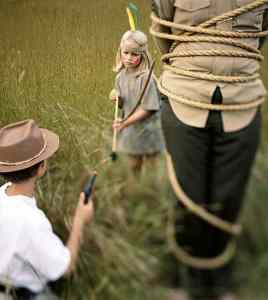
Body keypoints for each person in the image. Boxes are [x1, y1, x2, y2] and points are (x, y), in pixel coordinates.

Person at [150, 1, 268, 300]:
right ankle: (185, 284)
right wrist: (193, 65)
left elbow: (261, 33)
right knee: (188, 199)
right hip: (185, 97)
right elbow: (163, 27)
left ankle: (218, 285)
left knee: (228, 201)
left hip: (242, 99)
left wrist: (235, 60)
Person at [0, 119, 94, 300]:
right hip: (17, 295)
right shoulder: (32, 221)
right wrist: (80, 220)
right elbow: (66, 268)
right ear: (42, 168)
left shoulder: (0, 194)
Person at [110, 29, 165, 173]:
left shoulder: (146, 78)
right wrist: (118, 99)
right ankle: (134, 191)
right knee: (133, 166)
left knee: (152, 168)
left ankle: (151, 193)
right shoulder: (120, 77)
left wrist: (124, 123)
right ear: (120, 51)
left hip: (149, 131)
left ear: (143, 55)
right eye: (125, 52)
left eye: (134, 54)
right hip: (132, 131)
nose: (128, 57)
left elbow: (149, 109)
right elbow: (123, 105)